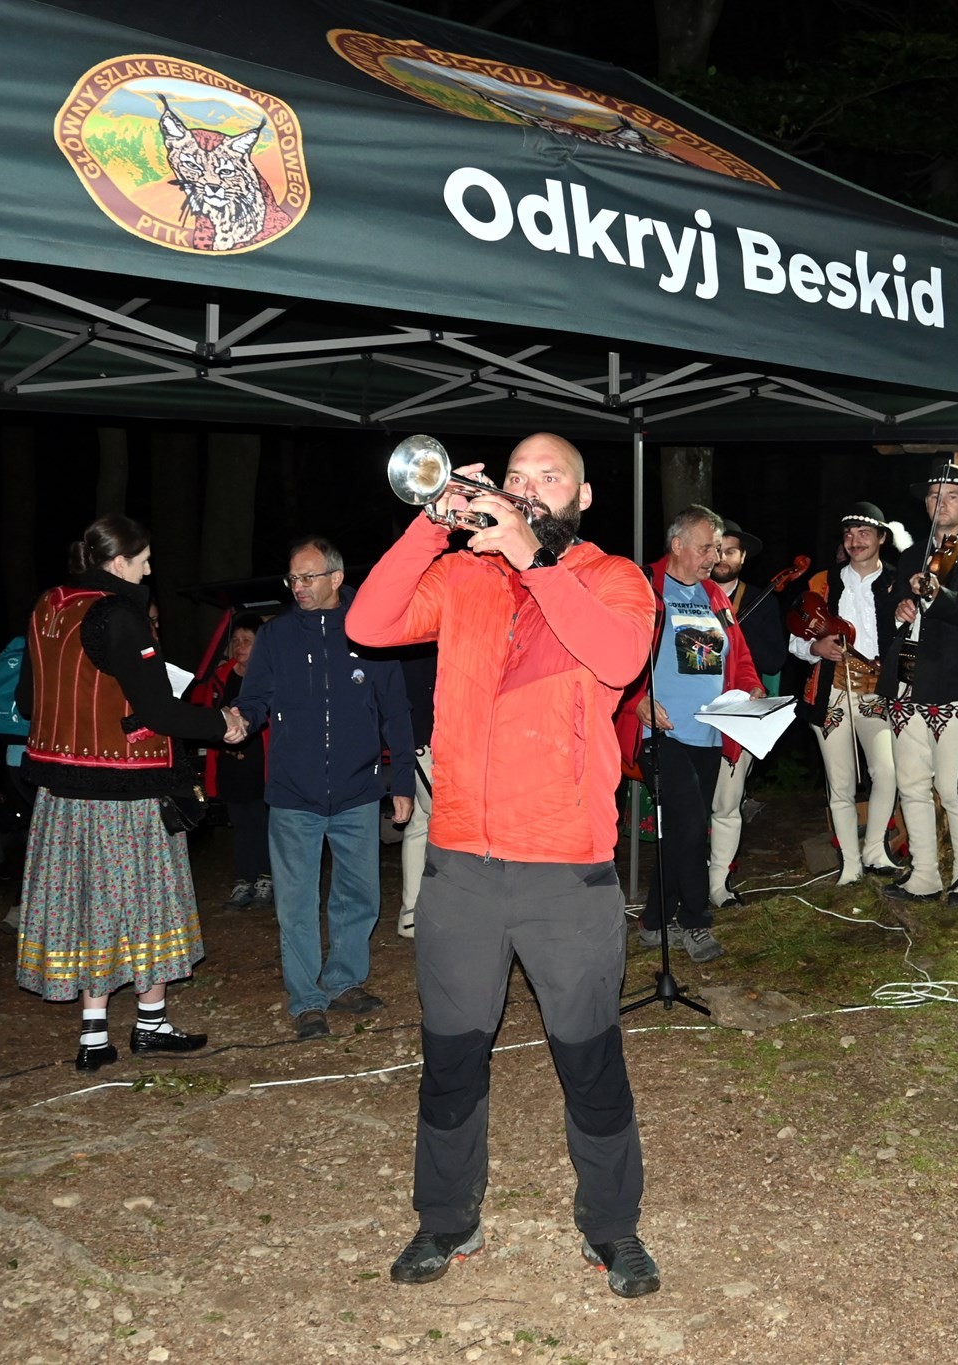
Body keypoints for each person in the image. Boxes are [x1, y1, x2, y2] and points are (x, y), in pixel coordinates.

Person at [347, 432, 661, 1299]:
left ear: (582, 497)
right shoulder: (465, 575)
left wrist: (535, 561)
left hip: (568, 871)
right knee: (452, 1056)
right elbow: (367, 624)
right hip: (462, 867)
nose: (528, 488)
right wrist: (430, 523)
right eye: (516, 476)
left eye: (548, 477)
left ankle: (613, 1227)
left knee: (589, 1059)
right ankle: (447, 1218)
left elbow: (621, 659)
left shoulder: (613, 578)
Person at [15, 515, 229, 1070]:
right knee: (143, 904)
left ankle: (94, 1038)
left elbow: (26, 701)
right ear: (118, 562)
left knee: (88, 907)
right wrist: (221, 724)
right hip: (124, 795)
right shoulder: (119, 613)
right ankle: (150, 1026)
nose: (150, 570)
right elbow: (159, 710)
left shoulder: (49, 605)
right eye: (144, 559)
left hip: (61, 798)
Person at [232, 537, 413, 1042]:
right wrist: (240, 720)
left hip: (357, 790)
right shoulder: (276, 636)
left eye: (308, 577)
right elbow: (255, 699)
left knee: (359, 896)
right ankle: (307, 999)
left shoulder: (369, 630)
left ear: (336, 577)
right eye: (293, 578)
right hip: (294, 794)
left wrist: (402, 780)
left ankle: (343, 980)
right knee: (296, 902)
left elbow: (396, 712)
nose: (299, 587)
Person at [617, 506, 762, 961]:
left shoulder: (714, 595)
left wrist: (751, 686)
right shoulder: (642, 584)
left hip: (709, 733)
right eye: (705, 548)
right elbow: (610, 652)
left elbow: (738, 656)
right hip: (659, 733)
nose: (714, 557)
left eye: (717, 549)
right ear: (677, 545)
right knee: (691, 826)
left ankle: (655, 920)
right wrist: (634, 701)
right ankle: (696, 922)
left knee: (682, 830)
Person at [883, 462, 958, 906]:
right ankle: (924, 874)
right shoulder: (912, 555)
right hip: (908, 681)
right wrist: (900, 610)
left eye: (952, 496)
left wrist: (934, 592)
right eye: (935, 496)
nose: (942, 503)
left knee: (953, 787)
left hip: (955, 684)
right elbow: (898, 609)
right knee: (911, 784)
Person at [789, 503, 911, 885]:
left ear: (881, 538)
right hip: (832, 692)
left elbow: (912, 640)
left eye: (864, 533)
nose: (855, 541)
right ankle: (850, 864)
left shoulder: (899, 581)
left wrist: (906, 683)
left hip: (877, 692)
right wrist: (815, 647)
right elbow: (795, 638)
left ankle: (875, 851)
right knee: (839, 782)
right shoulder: (822, 583)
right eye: (848, 534)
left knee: (887, 771)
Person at [706, 518, 788, 909]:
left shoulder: (761, 599)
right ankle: (687, 878)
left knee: (727, 802)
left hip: (738, 712)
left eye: (731, 551)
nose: (723, 557)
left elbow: (774, 659)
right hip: (694, 710)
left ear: (742, 559)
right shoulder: (689, 593)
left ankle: (718, 885)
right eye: (717, 549)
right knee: (688, 803)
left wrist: (738, 634)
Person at [202, 613, 271, 910]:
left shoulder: (270, 676)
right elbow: (208, 712)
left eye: (246, 641)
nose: (238, 646)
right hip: (230, 766)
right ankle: (244, 879)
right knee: (240, 824)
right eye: (235, 640)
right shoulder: (221, 677)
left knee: (263, 823)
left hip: (262, 766)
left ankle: (267, 878)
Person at [395, 645, 439, 939]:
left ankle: (411, 913)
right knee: (443, 821)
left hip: (425, 738)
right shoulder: (422, 639)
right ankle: (438, 908)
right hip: (426, 740)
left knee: (421, 823)